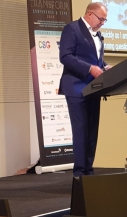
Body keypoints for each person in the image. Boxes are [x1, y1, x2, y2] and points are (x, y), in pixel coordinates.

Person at [58, 2, 109, 176]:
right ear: (89, 14)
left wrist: (105, 67)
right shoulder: (72, 29)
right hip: (76, 88)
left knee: (92, 132)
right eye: (101, 19)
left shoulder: (98, 34)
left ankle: (89, 171)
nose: (102, 23)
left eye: (105, 20)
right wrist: (89, 69)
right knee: (81, 131)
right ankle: (79, 174)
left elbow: (96, 60)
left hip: (94, 89)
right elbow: (65, 56)